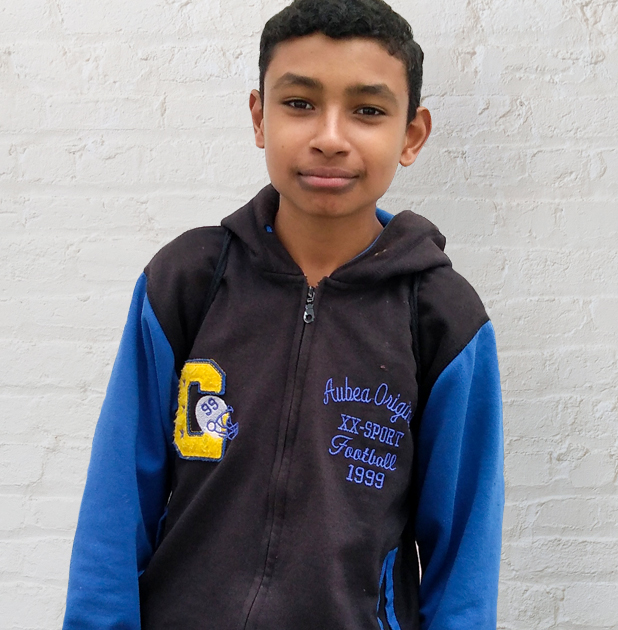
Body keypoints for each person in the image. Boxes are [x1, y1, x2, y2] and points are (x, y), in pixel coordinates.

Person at [63, 0, 504, 628]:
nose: (330, 136)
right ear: (259, 116)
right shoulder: (187, 281)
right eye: (299, 103)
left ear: (411, 134)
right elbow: (116, 501)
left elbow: (464, 550)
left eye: (368, 111)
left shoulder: (441, 317)